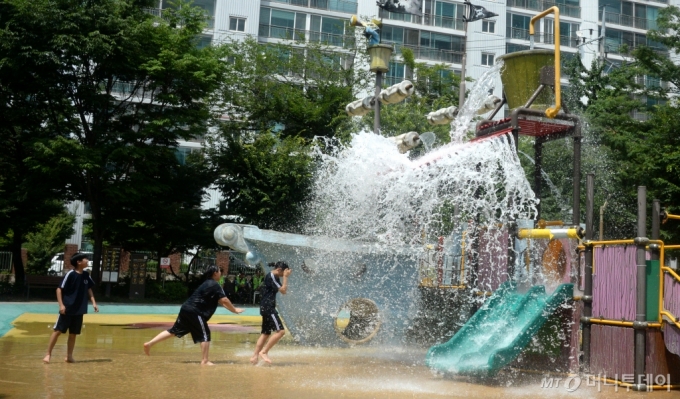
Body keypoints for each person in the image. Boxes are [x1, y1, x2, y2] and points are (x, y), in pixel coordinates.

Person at [143, 266, 243, 365]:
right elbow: (224, 300)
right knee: (205, 334)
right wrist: (234, 310)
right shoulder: (215, 285)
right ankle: (205, 360)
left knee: (174, 330)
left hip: (186, 309)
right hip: (195, 311)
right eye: (219, 271)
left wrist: (232, 310)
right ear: (215, 273)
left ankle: (149, 344)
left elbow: (221, 301)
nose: (221, 273)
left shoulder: (207, 283)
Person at [43, 253, 99, 364]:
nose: (87, 260)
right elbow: (59, 289)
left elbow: (89, 289)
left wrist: (93, 302)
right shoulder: (70, 274)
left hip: (79, 309)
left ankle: (69, 356)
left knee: (73, 334)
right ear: (78, 262)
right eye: (85, 259)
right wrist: (61, 305)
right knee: (58, 331)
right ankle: (48, 354)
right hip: (68, 308)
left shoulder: (86, 275)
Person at [250, 261, 291, 365]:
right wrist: (286, 277)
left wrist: (284, 277)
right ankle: (264, 351)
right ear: (279, 270)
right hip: (268, 307)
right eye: (283, 273)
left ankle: (254, 356)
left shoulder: (274, 276)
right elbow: (283, 290)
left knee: (265, 333)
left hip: (266, 307)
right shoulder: (272, 276)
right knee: (280, 331)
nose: (283, 275)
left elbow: (283, 291)